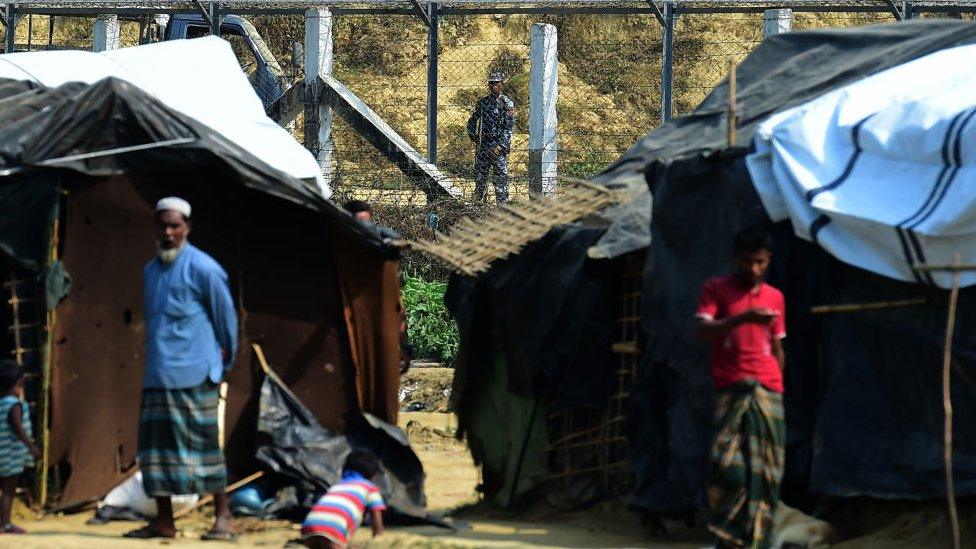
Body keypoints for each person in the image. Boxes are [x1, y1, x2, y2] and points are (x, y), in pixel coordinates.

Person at [125, 197, 238, 541]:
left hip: (196, 375)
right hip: (159, 373)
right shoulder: (150, 271)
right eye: (163, 225)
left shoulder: (204, 268)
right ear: (155, 228)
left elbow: (226, 320)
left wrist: (221, 365)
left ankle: (223, 519)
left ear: (187, 227)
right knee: (155, 452)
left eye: (176, 226)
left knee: (204, 448)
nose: (169, 232)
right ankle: (164, 522)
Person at [694, 227, 786, 549]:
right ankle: (728, 536)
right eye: (748, 261)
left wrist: (779, 386)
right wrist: (742, 318)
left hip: (768, 389)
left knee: (768, 472)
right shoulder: (717, 289)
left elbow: (777, 346)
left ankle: (756, 541)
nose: (754, 269)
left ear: (769, 260)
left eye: (760, 262)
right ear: (736, 259)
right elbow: (702, 331)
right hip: (731, 388)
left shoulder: (776, 297)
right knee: (727, 467)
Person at [299, 448, 387, 548]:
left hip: (308, 528)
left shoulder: (336, 487)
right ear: (372, 473)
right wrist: (377, 536)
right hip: (334, 531)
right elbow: (376, 512)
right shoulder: (369, 487)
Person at [0, 360, 38, 535]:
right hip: (10, 455)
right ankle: (5, 524)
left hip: (2, 452)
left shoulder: (1, 402)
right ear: (20, 382)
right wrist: (31, 446)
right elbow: (17, 426)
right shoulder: (14, 404)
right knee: (8, 490)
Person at [466, 71, 515, 204]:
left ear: (502, 84)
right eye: (491, 83)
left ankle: (503, 209)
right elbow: (473, 119)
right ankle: (479, 205)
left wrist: (500, 146)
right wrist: (472, 134)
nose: (494, 86)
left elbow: (509, 128)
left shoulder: (507, 103)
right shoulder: (483, 102)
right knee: (480, 179)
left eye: (496, 83)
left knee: (500, 181)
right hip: (484, 146)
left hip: (499, 147)